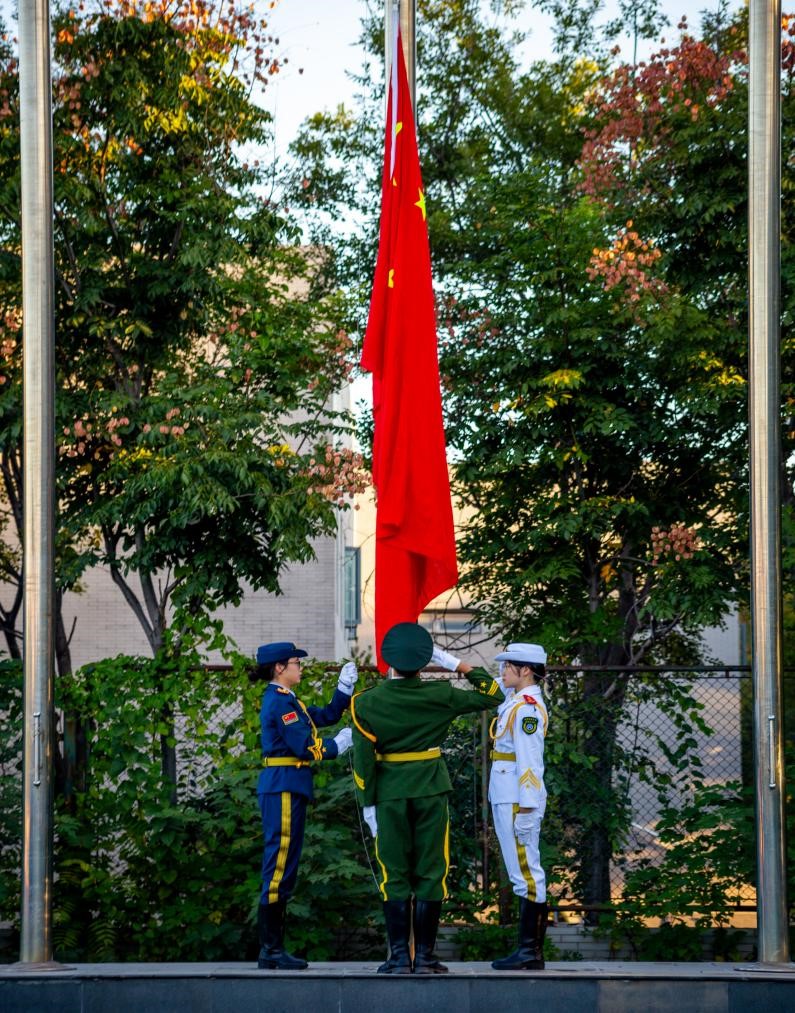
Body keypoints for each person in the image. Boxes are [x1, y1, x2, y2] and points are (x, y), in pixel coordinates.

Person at [350, 622, 503, 974]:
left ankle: (398, 958)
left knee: (393, 873)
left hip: (388, 794)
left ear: (389, 661)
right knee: (432, 871)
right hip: (431, 789)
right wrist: (457, 664)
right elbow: (493, 694)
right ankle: (426, 958)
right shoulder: (441, 695)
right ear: (424, 661)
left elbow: (363, 761)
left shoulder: (365, 702)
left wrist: (367, 801)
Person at [254, 641, 357, 970]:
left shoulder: (288, 699)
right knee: (279, 866)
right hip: (283, 786)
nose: (301, 667)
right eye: (296, 662)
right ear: (279, 667)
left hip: (288, 785)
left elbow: (323, 716)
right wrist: (337, 746)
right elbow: (304, 746)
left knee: (285, 865)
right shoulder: (280, 702)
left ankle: (272, 949)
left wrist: (343, 691)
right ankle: (271, 949)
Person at [488, 642, 550, 970]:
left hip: (516, 799)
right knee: (521, 873)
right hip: (507, 795)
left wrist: (527, 810)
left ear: (525, 670)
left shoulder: (526, 709)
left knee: (526, 874)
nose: (501, 672)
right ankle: (528, 951)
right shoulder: (516, 702)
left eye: (507, 666)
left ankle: (529, 952)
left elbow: (530, 763)